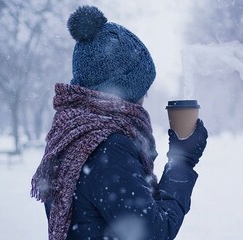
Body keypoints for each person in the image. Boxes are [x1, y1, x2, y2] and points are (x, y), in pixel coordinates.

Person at [31, 5, 208, 240]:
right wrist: (182, 161)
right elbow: (153, 233)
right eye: (143, 90)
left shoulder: (73, 132)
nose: (145, 99)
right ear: (127, 90)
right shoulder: (108, 148)